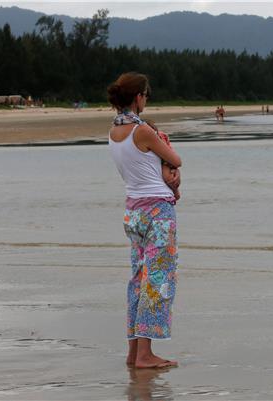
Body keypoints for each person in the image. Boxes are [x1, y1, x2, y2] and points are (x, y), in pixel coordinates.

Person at [107, 72, 181, 369]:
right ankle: (145, 355)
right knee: (158, 279)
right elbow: (175, 159)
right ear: (138, 97)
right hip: (157, 212)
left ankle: (133, 351)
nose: (146, 99)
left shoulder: (113, 131)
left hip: (133, 212)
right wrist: (169, 166)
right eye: (146, 95)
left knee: (138, 279)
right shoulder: (143, 131)